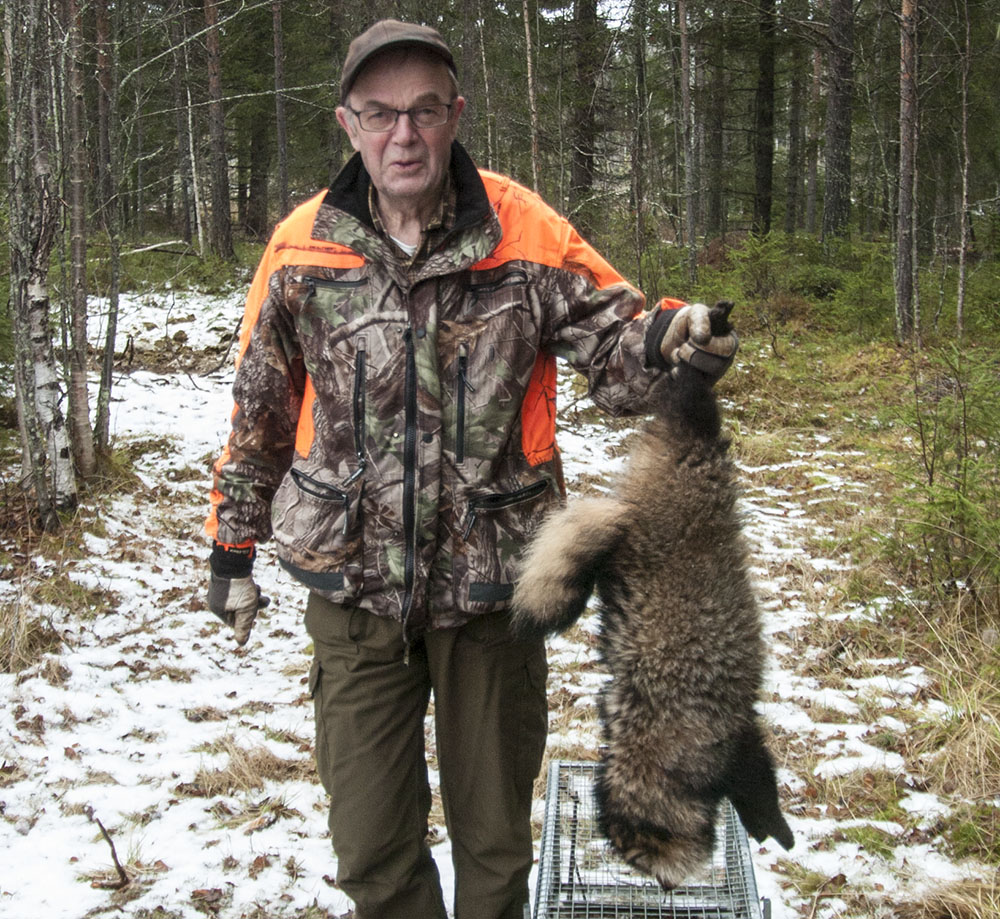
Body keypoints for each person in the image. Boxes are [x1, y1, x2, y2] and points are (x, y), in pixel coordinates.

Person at [206, 19, 737, 919]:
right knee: (372, 847)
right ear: (348, 124)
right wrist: (232, 547)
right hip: (353, 590)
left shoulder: (521, 231)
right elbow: (258, 407)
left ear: (456, 115)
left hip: (491, 590)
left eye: (423, 111)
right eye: (380, 114)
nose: (402, 135)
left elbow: (615, 348)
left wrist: (672, 342)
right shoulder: (303, 246)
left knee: (493, 847)